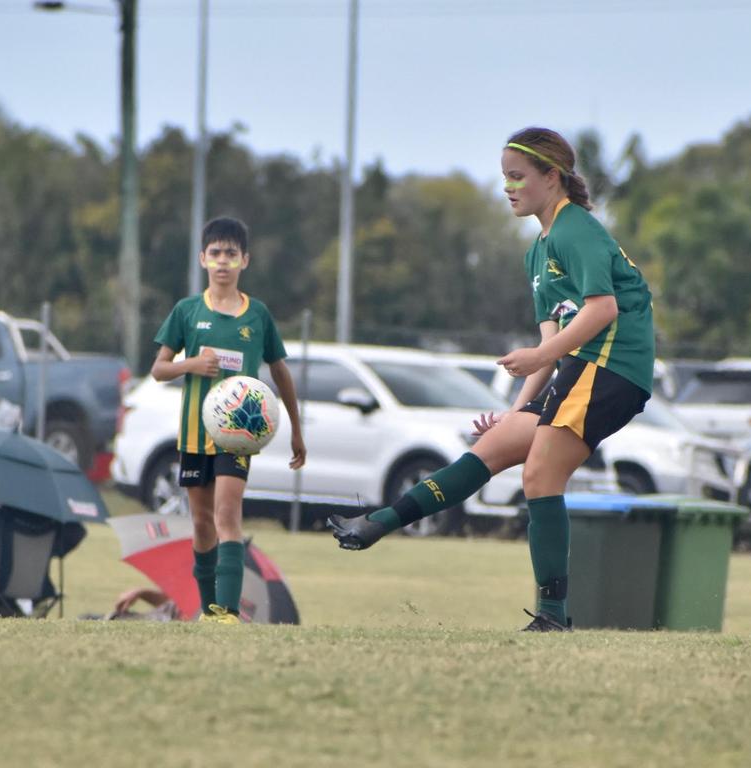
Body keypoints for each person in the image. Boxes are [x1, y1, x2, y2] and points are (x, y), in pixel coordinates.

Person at [329, 127, 655, 632]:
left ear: (553, 178)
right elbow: (549, 349)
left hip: (614, 367)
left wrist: (540, 354)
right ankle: (377, 523)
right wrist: (517, 409)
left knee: (540, 477)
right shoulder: (537, 252)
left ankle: (553, 616)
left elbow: (603, 310)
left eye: (518, 176)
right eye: (504, 176)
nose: (508, 187)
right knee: (494, 446)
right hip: (582, 367)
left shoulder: (577, 230)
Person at [151, 216, 306, 624]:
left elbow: (281, 372)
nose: (223, 262)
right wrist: (192, 364)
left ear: (245, 261)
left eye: (231, 254)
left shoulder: (257, 315)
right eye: (216, 253)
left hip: (238, 437)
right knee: (202, 525)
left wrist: (296, 429)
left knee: (227, 515)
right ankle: (209, 608)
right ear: (203, 258)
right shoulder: (187, 312)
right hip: (193, 435)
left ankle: (229, 612)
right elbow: (158, 369)